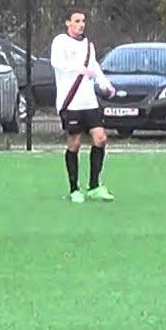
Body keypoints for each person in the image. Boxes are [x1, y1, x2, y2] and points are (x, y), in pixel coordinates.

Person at [51, 11, 117, 203]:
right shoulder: (60, 42)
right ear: (68, 23)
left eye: (83, 21)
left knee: (100, 138)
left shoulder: (88, 45)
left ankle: (94, 186)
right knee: (75, 144)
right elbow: (57, 62)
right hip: (71, 103)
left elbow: (94, 67)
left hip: (90, 102)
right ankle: (74, 189)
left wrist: (106, 85)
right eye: (77, 21)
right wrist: (79, 69)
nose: (81, 24)